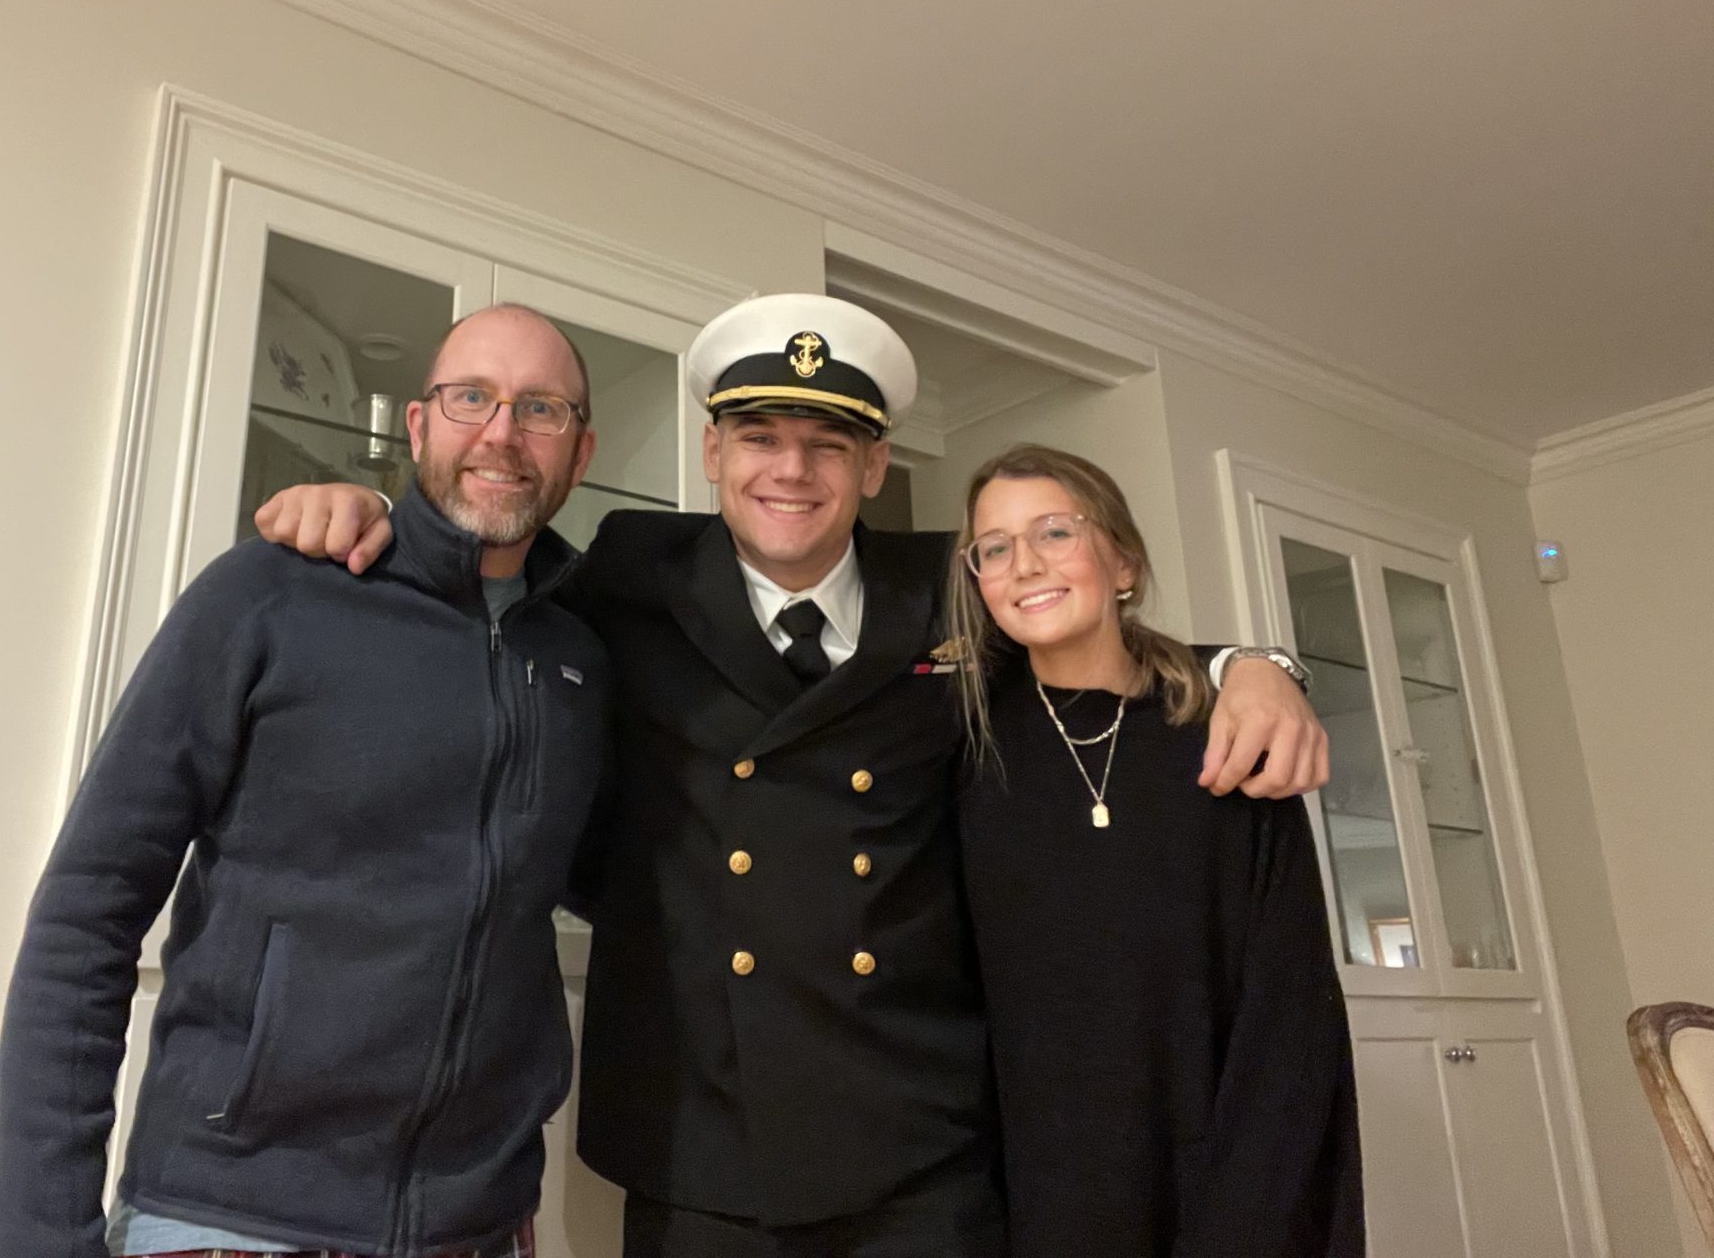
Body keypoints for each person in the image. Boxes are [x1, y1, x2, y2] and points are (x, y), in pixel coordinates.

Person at [254, 293, 1330, 1258]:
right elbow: (489, 573)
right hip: (698, 1139)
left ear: (874, 466)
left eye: (828, 444)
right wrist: (374, 511)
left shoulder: (949, 586)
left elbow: (1092, 647)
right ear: (712, 450)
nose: (791, 470)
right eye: (759, 437)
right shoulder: (632, 568)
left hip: (920, 1143)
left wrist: (1252, 666)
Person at [0, 304, 612, 1258]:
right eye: (471, 397)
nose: (501, 432)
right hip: (230, 1216)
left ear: (582, 449)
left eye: (540, 408)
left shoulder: (580, 662)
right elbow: (88, 909)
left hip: (480, 1227)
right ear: (417, 425)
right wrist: (38, 1236)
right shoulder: (269, 594)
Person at [947, 443, 1363, 1257]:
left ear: (1124, 562)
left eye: (1055, 532)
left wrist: (1259, 666)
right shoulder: (961, 749)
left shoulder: (1226, 737)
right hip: (1035, 1195)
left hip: (1229, 1182)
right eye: (994, 548)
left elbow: (1291, 1007)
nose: (1024, 564)